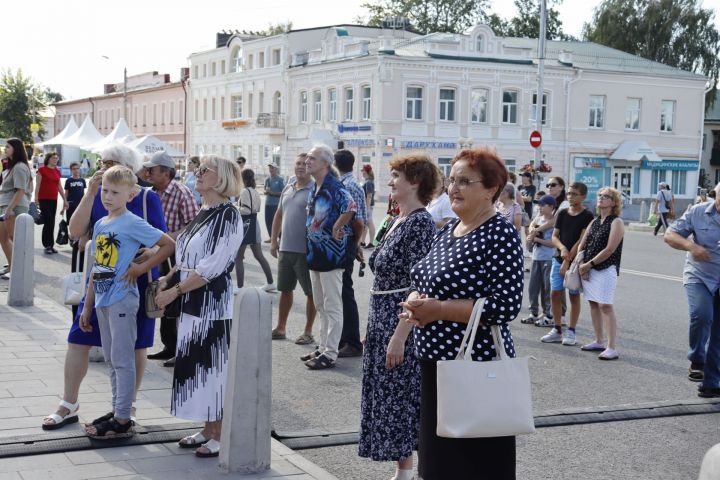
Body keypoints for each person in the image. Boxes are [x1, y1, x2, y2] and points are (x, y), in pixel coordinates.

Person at [400, 147, 523, 479]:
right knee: (438, 463)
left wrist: (438, 310)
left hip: (475, 370)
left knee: (472, 466)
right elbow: (424, 279)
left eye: (465, 181)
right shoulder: (447, 231)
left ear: (491, 189)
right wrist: (416, 300)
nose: (453, 188)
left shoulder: (500, 233)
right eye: (451, 179)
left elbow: (505, 305)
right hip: (434, 364)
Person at [43, 144, 168, 430]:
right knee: (78, 338)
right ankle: (69, 402)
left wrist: (140, 261)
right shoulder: (100, 193)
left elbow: (162, 241)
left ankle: (126, 408)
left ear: (126, 169)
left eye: (109, 162)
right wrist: (89, 193)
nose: (102, 167)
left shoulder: (144, 197)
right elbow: (76, 232)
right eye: (101, 162)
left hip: (132, 287)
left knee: (134, 348)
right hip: (99, 284)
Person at [154, 155, 244, 457]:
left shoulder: (228, 215)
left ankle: (219, 432)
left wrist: (175, 291)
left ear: (222, 178)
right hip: (192, 300)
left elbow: (211, 266)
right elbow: (186, 257)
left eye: (205, 170)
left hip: (213, 304)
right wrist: (168, 277)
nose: (198, 173)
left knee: (213, 367)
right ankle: (207, 428)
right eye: (198, 169)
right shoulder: (205, 210)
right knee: (196, 366)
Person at [359, 153, 438, 480]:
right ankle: (403, 470)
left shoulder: (421, 222)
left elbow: (420, 287)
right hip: (382, 318)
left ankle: (408, 472)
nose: (389, 182)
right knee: (391, 394)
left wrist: (398, 335)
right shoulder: (397, 219)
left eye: (395, 177)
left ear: (415, 182)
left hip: (401, 321)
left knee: (401, 397)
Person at [80, 166, 175, 438]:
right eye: (105, 191)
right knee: (112, 359)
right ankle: (117, 410)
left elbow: (168, 244)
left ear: (130, 194)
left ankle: (123, 418)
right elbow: (97, 268)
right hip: (102, 300)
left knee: (122, 360)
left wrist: (139, 269)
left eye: (115, 192)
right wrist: (87, 306)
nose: (108, 197)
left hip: (123, 300)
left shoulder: (132, 222)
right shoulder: (101, 224)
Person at [301, 144, 357, 370]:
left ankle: (330, 353)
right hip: (316, 254)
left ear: (325, 163)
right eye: (307, 158)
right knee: (321, 304)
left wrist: (337, 226)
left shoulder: (334, 186)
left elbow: (351, 207)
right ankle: (323, 345)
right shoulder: (316, 186)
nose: (307, 161)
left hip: (332, 256)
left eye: (312, 158)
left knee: (332, 305)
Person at [143, 151, 200, 367]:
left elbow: (193, 226)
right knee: (158, 298)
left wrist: (165, 240)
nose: (147, 172)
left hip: (175, 254)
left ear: (166, 173)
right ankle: (169, 345)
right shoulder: (149, 192)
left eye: (152, 169)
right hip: (155, 252)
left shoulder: (182, 192)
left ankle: (180, 349)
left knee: (175, 302)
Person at [664, 183, 720, 398]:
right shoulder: (697, 211)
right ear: (715, 196)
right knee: (702, 314)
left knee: (718, 334)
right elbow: (670, 235)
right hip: (700, 276)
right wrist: (692, 246)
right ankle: (697, 359)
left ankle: (711, 383)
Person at [270, 154, 316, 344]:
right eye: (298, 163)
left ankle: (308, 331)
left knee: (311, 293)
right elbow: (279, 214)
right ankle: (281, 327)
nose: (301, 167)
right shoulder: (288, 187)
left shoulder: (315, 189)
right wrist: (273, 241)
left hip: (306, 250)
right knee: (285, 289)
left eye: (305, 164)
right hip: (286, 248)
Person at [540, 182, 594, 342]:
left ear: (583, 197)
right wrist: (562, 249)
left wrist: (568, 258)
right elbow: (555, 236)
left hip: (575, 261)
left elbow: (581, 240)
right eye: (569, 193)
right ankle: (557, 329)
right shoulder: (563, 213)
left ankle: (571, 331)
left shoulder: (587, 216)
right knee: (555, 293)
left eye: (575, 194)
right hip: (559, 258)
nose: (570, 197)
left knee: (573, 294)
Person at [575, 187, 625, 359]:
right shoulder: (595, 221)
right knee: (593, 304)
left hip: (605, 269)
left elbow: (610, 249)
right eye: (600, 196)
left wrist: (589, 265)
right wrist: (582, 265)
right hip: (588, 269)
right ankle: (598, 341)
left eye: (606, 197)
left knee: (605, 305)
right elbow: (582, 244)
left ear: (613, 202)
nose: (601, 198)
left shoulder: (616, 222)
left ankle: (611, 347)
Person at [335, 149, 366, 358]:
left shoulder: (348, 186)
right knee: (339, 292)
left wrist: (355, 244)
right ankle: (343, 338)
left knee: (345, 292)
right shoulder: (351, 184)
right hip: (345, 242)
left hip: (345, 242)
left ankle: (352, 341)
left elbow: (357, 220)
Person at [235, 168, 275, 291]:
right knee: (259, 255)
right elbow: (256, 209)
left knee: (239, 257)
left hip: (245, 225)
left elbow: (246, 210)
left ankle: (240, 287)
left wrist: (235, 207)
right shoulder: (255, 191)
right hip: (254, 224)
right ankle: (270, 282)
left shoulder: (244, 191)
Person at [0, 138, 33, 280]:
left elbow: (20, 191)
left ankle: (19, 270)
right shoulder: (11, 166)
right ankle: (12, 265)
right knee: (3, 238)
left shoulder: (19, 166)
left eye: (7, 147)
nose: (5, 149)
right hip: (6, 205)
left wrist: (9, 209)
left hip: (14, 207)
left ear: (15, 148)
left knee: (15, 239)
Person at [522, 195, 556, 324]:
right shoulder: (538, 219)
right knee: (533, 288)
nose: (540, 207)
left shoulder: (553, 222)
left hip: (548, 258)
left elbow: (553, 243)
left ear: (551, 207)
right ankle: (533, 313)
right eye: (539, 205)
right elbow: (531, 226)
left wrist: (537, 239)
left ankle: (548, 315)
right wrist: (531, 234)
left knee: (547, 288)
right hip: (536, 257)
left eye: (543, 205)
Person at [65, 162, 87, 317]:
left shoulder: (83, 180)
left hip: (81, 205)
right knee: (72, 225)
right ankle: (71, 238)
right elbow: (66, 193)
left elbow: (84, 193)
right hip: (72, 205)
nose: (76, 171)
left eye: (77, 168)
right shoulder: (68, 181)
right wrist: (65, 203)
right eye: (73, 169)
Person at [35, 152, 68, 254]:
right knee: (49, 221)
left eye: (57, 158)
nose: (56, 160)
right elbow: (38, 185)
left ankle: (50, 245)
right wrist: (36, 199)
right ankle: (47, 245)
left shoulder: (57, 172)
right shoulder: (42, 170)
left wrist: (65, 200)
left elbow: (59, 187)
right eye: (53, 158)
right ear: (48, 159)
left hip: (53, 199)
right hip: (43, 199)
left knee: (52, 222)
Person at [263, 163, 284, 241]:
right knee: (268, 221)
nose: (271, 170)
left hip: (276, 204)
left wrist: (273, 193)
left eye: (272, 168)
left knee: (277, 221)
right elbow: (265, 189)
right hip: (267, 203)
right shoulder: (267, 179)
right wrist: (266, 191)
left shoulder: (280, 179)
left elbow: (283, 192)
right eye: (270, 168)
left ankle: (280, 238)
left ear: (276, 169)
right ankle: (271, 238)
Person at [361, 164, 376, 247]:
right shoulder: (368, 181)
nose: (362, 172)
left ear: (366, 171)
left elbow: (369, 196)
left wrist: (366, 208)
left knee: (369, 223)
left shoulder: (369, 182)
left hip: (368, 206)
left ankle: (371, 243)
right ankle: (362, 242)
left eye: (362, 170)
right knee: (366, 224)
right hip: (368, 206)